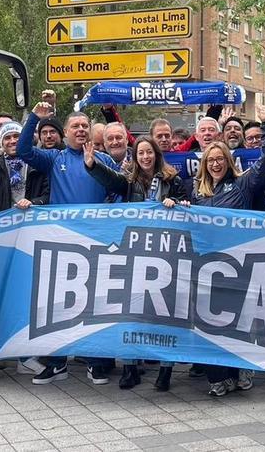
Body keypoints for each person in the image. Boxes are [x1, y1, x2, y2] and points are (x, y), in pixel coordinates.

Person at [19, 102, 121, 384]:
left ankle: (96, 361)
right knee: (58, 305)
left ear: (90, 132)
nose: (80, 130)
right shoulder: (54, 159)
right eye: (75, 126)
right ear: (65, 133)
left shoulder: (105, 160)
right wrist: (34, 119)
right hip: (63, 244)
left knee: (97, 304)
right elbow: (23, 151)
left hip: (98, 244)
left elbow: (122, 192)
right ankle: (56, 362)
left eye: (84, 126)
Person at [84, 135, 191, 391]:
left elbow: (189, 208)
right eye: (140, 153)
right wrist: (92, 164)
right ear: (135, 156)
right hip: (136, 255)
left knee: (166, 313)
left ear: (156, 154)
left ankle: (166, 370)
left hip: (165, 255)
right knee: (130, 312)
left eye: (149, 152)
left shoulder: (172, 180)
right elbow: (110, 178)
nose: (145, 157)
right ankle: (130, 368)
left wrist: (175, 204)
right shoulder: (130, 183)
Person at [190, 126, 265, 397]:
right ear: (204, 165)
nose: (216, 164)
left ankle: (242, 371)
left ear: (228, 162)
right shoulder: (197, 193)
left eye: (220, 159)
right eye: (211, 160)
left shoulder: (243, 184)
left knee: (239, 322)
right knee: (211, 322)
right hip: (207, 266)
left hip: (238, 264)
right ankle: (219, 376)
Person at [0, 119, 50, 384]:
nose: (12, 142)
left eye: (17, 137)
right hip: (1, 244)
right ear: (1, 142)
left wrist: (35, 202)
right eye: (7, 138)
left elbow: (49, 198)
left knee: (28, 299)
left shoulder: (38, 168)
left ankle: (25, 358)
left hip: (32, 242)